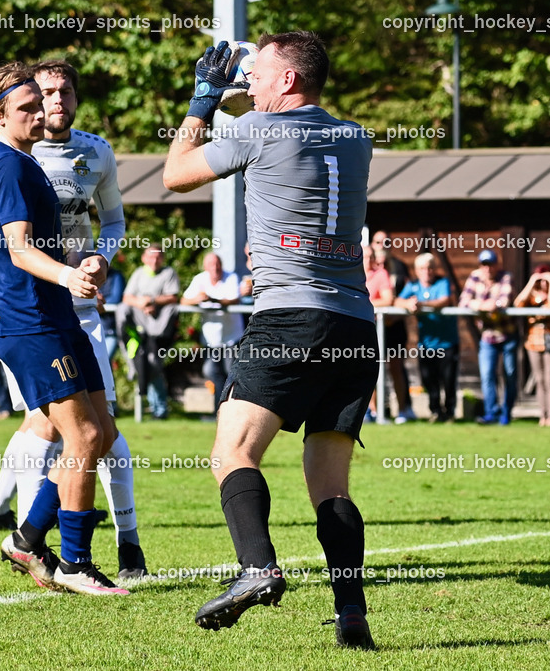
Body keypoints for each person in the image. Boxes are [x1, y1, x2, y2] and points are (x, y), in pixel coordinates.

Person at [163, 32, 378, 649]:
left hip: (290, 320)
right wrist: (245, 96)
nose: (247, 82)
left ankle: (257, 568)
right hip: (354, 324)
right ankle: (351, 614)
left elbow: (177, 173)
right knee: (331, 483)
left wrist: (202, 101)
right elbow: (285, 130)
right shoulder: (355, 136)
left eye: (256, 73)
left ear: (285, 81)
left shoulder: (257, 129)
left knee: (231, 453)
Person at [0, 60, 147, 583]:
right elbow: (17, 249)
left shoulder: (27, 157)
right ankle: (75, 563)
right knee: (79, 436)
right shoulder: (7, 164)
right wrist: (66, 277)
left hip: (59, 315)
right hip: (31, 319)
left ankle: (28, 537)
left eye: (44, 102)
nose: (41, 113)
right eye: (29, 107)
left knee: (101, 432)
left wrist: (84, 271)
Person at [396, 253, 459, 422]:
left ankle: (450, 412)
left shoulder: (442, 282)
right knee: (429, 379)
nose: (427, 271)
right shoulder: (414, 286)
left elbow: (444, 301)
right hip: (426, 343)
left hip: (447, 341)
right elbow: (397, 301)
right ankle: (435, 411)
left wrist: (422, 305)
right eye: (423, 268)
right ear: (417, 271)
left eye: (430, 268)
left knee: (448, 379)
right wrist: (408, 304)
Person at [121, 244, 180, 419]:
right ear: (144, 258)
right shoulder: (139, 273)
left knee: (154, 363)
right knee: (142, 363)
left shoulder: (168, 273)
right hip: (139, 331)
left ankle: (160, 408)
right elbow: (127, 298)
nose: (154, 260)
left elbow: (173, 297)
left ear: (162, 258)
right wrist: (142, 303)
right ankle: (156, 408)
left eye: (158, 257)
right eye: (151, 257)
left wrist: (152, 301)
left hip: (159, 331)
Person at [459, 249, 517, 425]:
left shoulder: (506, 276)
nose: (488, 268)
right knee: (487, 375)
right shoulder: (474, 277)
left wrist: (491, 305)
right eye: (484, 264)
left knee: (510, 374)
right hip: (487, 336)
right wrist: (483, 305)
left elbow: (503, 301)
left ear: (496, 264)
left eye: (491, 264)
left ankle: (506, 412)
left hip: (507, 334)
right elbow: (463, 302)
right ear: (480, 265)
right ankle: (491, 412)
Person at [181, 252, 244, 413]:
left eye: (217, 264)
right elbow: (184, 300)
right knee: (211, 372)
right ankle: (219, 410)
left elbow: (234, 298)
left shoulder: (231, 277)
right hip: (211, 338)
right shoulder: (199, 279)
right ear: (205, 267)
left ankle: (232, 411)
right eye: (211, 264)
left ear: (221, 265)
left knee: (232, 374)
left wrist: (211, 299)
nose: (215, 268)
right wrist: (198, 298)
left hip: (231, 337)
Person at [371, 230, 415, 422]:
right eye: (379, 242)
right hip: (372, 324)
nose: (382, 246)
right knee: (370, 368)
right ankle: (374, 410)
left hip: (394, 324)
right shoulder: (366, 267)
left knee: (396, 367)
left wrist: (395, 311)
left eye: (386, 242)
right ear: (373, 244)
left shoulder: (399, 266)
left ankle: (404, 409)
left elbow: (406, 294)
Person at [514, 264, 550, 426]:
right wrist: (532, 282)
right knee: (540, 379)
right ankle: (542, 415)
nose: (543, 282)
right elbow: (518, 304)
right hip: (533, 341)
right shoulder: (532, 295)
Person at [362, 246, 393, 422]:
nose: (367, 260)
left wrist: (362, 304)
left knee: (373, 369)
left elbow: (388, 299)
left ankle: (375, 410)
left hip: (373, 328)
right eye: (364, 256)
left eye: (370, 257)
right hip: (351, 327)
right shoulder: (351, 273)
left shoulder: (381, 274)